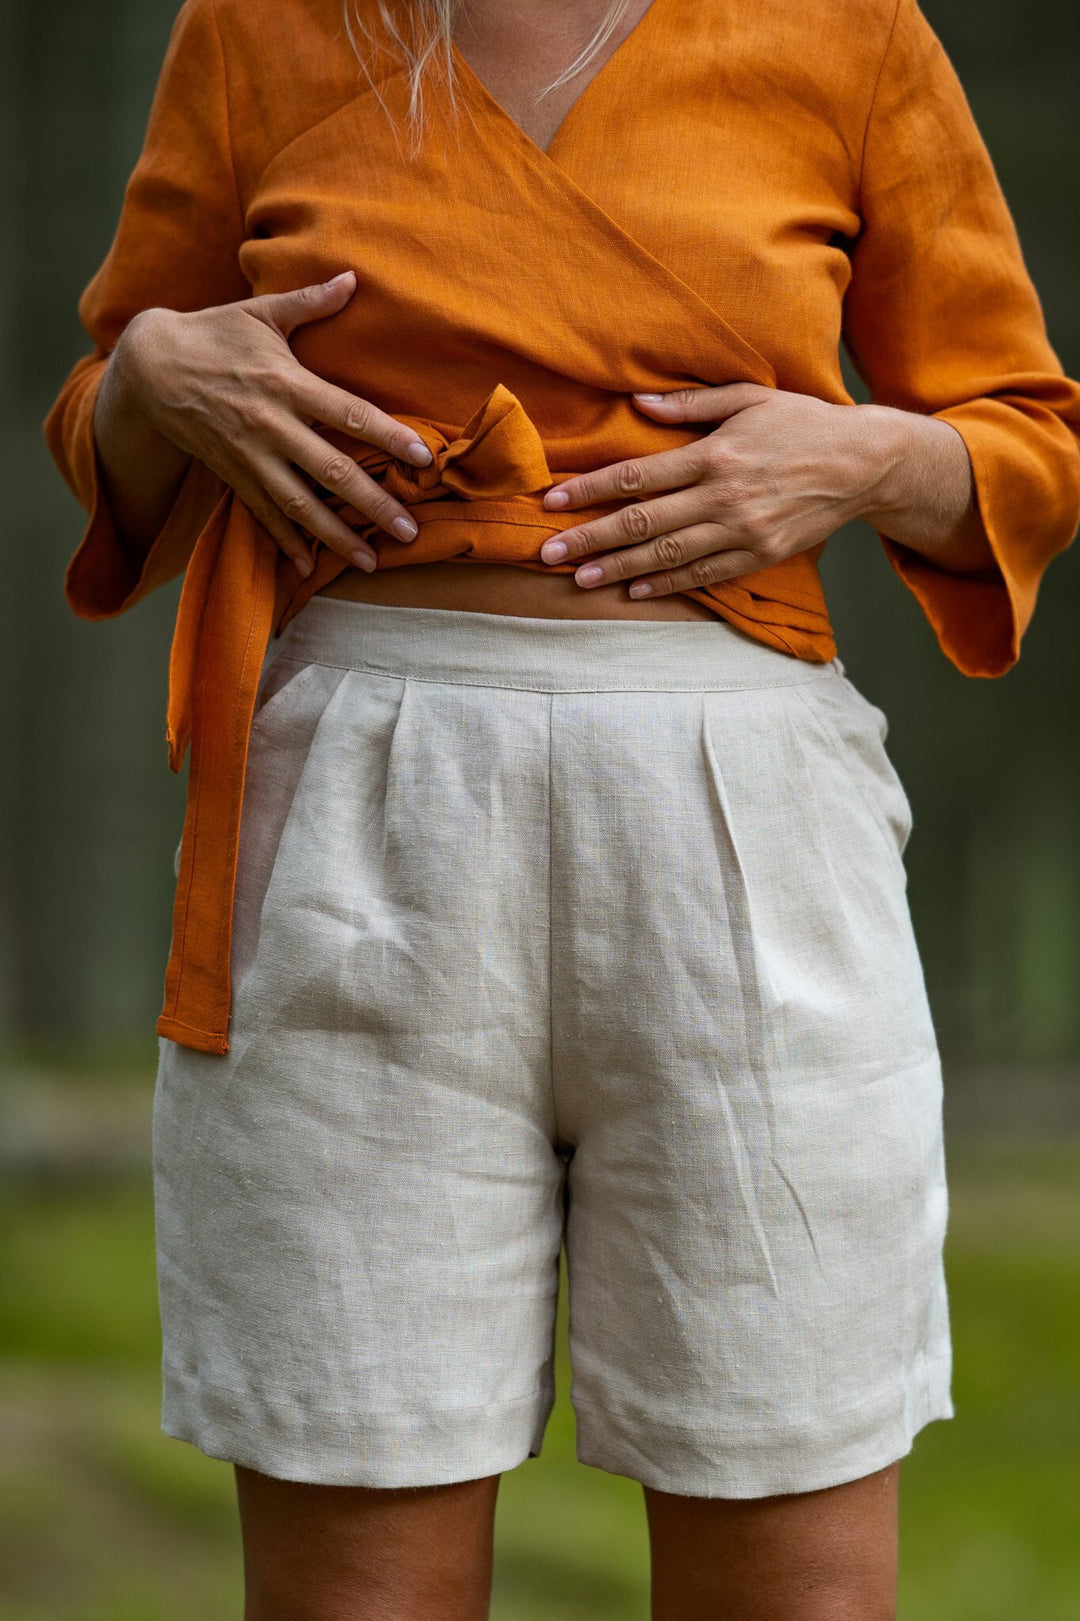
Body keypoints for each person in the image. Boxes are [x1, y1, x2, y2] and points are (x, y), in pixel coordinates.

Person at [45, 0, 1080, 1615]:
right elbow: (114, 414)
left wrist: (864, 459)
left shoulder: (850, 33)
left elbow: (1025, 441)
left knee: (797, 1591)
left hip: (744, 831)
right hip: (355, 830)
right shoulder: (257, 27)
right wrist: (155, 378)